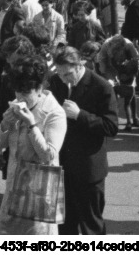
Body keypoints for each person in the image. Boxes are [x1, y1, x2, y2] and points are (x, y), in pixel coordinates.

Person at [0, 54, 67, 235]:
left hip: (39, 190)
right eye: (17, 91)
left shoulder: (54, 112)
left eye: (26, 92)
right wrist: (4, 125)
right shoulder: (16, 105)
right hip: (13, 189)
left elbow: (49, 155)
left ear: (40, 88)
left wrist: (31, 125)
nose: (20, 97)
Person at [48, 47, 118, 235]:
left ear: (79, 65)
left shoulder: (102, 86)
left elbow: (111, 126)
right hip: (63, 166)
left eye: (68, 74)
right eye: (60, 73)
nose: (64, 79)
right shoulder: (56, 82)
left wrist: (80, 115)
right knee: (64, 224)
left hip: (88, 168)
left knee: (91, 225)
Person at [97, 34, 139, 130]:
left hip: (127, 68)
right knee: (112, 90)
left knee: (131, 90)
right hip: (110, 67)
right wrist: (106, 77)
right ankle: (114, 119)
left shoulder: (129, 45)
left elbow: (137, 60)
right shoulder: (106, 46)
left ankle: (134, 117)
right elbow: (101, 60)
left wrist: (130, 74)